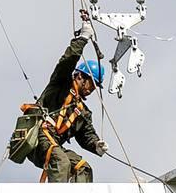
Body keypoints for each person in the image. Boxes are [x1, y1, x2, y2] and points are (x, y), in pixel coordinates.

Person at [8, 21, 106, 183]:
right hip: (39, 137)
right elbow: (67, 61)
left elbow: (86, 136)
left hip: (53, 145)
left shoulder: (82, 112)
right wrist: (82, 39)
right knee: (62, 161)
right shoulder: (60, 85)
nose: (92, 89)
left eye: (95, 86)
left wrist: (96, 145)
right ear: (80, 76)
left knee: (83, 167)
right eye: (91, 83)